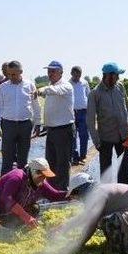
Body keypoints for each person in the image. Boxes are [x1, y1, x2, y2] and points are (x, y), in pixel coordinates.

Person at [62, 173, 128, 254]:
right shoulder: (100, 190)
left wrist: (77, 246)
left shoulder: (97, 195)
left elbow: (91, 224)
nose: (76, 199)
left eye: (74, 195)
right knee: (106, 220)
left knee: (107, 221)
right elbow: (85, 216)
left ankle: (126, 251)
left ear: (79, 191)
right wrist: (65, 227)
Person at [0, 158, 68, 232]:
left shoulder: (40, 183)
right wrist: (26, 217)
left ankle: (10, 226)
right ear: (34, 172)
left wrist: (74, 193)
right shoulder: (17, 177)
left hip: (7, 212)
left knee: (34, 208)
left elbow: (55, 195)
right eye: (42, 176)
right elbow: (6, 198)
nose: (44, 179)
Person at [87, 62, 128, 184]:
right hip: (105, 138)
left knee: (124, 169)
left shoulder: (120, 87)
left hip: (124, 135)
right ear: (109, 76)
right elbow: (90, 120)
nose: (118, 78)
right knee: (106, 171)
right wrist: (97, 142)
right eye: (116, 75)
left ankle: (123, 194)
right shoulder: (95, 93)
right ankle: (107, 197)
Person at [0, 60, 41, 176]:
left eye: (13, 74)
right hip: (8, 124)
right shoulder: (3, 87)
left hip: (25, 125)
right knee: (7, 157)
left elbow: (36, 105)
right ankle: (4, 184)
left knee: (23, 158)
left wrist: (38, 122)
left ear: (21, 72)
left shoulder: (29, 85)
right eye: (8, 74)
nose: (10, 77)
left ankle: (21, 184)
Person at [39, 61, 75, 190]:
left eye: (53, 71)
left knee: (62, 162)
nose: (50, 73)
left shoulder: (65, 86)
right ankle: (51, 188)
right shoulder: (51, 86)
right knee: (51, 161)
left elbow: (55, 90)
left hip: (63, 129)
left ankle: (61, 189)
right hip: (52, 130)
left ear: (61, 72)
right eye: (49, 71)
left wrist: (43, 89)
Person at [69, 66, 91, 165]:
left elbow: (88, 96)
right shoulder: (68, 84)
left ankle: (83, 156)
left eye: (79, 75)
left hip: (83, 112)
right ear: (71, 74)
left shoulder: (84, 83)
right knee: (72, 136)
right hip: (72, 113)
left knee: (84, 135)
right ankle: (75, 156)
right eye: (75, 74)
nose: (77, 77)